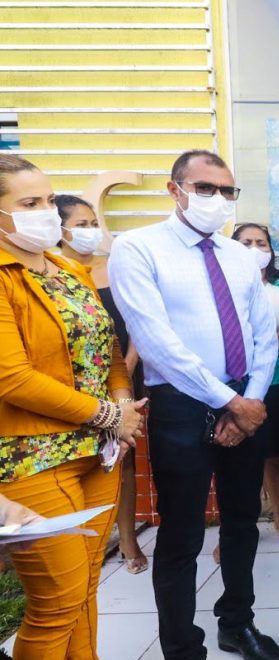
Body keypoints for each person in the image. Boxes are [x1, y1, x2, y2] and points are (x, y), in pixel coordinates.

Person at [109, 150, 279, 660]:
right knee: (182, 536)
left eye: (228, 191)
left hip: (246, 399)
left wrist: (249, 401)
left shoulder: (240, 257)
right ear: (175, 189)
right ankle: (184, 655)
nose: (218, 200)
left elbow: (262, 335)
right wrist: (227, 401)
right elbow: (155, 341)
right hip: (182, 403)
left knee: (242, 522)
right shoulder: (138, 248)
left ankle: (238, 622)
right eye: (205, 188)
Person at [0, 154, 145, 660]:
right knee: (55, 603)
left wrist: (122, 403)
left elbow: (109, 351)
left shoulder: (66, 269)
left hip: (97, 454)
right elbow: (11, 377)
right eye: (29, 203)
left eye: (47, 199)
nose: (46, 212)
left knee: (82, 592)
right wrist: (108, 414)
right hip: (33, 461)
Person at [56, 194, 150, 575]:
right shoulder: (49, 274)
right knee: (77, 465)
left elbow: (137, 323)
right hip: (69, 391)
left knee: (121, 460)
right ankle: (80, 543)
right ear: (59, 229)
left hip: (120, 378)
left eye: (93, 223)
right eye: (81, 225)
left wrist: (124, 375)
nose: (91, 231)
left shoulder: (113, 270)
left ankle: (127, 539)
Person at [232, 222, 279, 548]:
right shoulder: (221, 287)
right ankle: (238, 527)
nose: (255, 249)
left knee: (275, 453)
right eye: (246, 242)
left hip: (276, 378)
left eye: (261, 243)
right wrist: (266, 337)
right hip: (231, 383)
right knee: (236, 457)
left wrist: (255, 338)